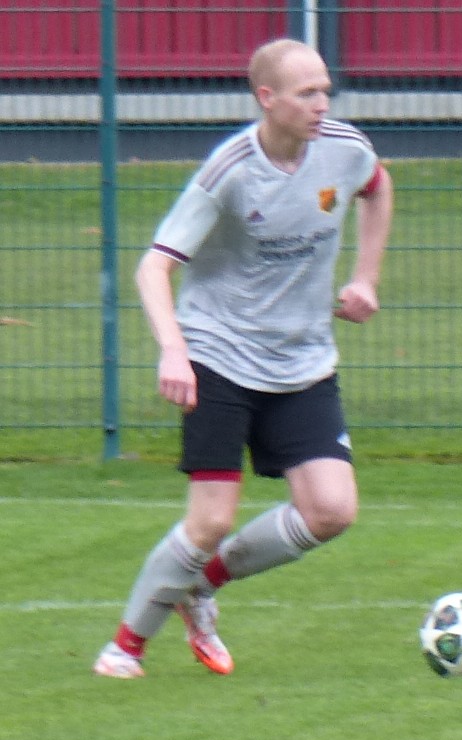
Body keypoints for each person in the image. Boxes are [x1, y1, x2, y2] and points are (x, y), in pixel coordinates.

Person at [93, 37, 393, 679]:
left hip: (304, 361)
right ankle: (124, 648)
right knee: (209, 522)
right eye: (307, 93)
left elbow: (377, 185)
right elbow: (153, 267)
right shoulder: (229, 170)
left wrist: (366, 278)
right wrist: (174, 352)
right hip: (219, 357)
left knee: (331, 511)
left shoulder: (343, 148)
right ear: (267, 98)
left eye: (325, 90)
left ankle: (201, 588)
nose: (322, 104)